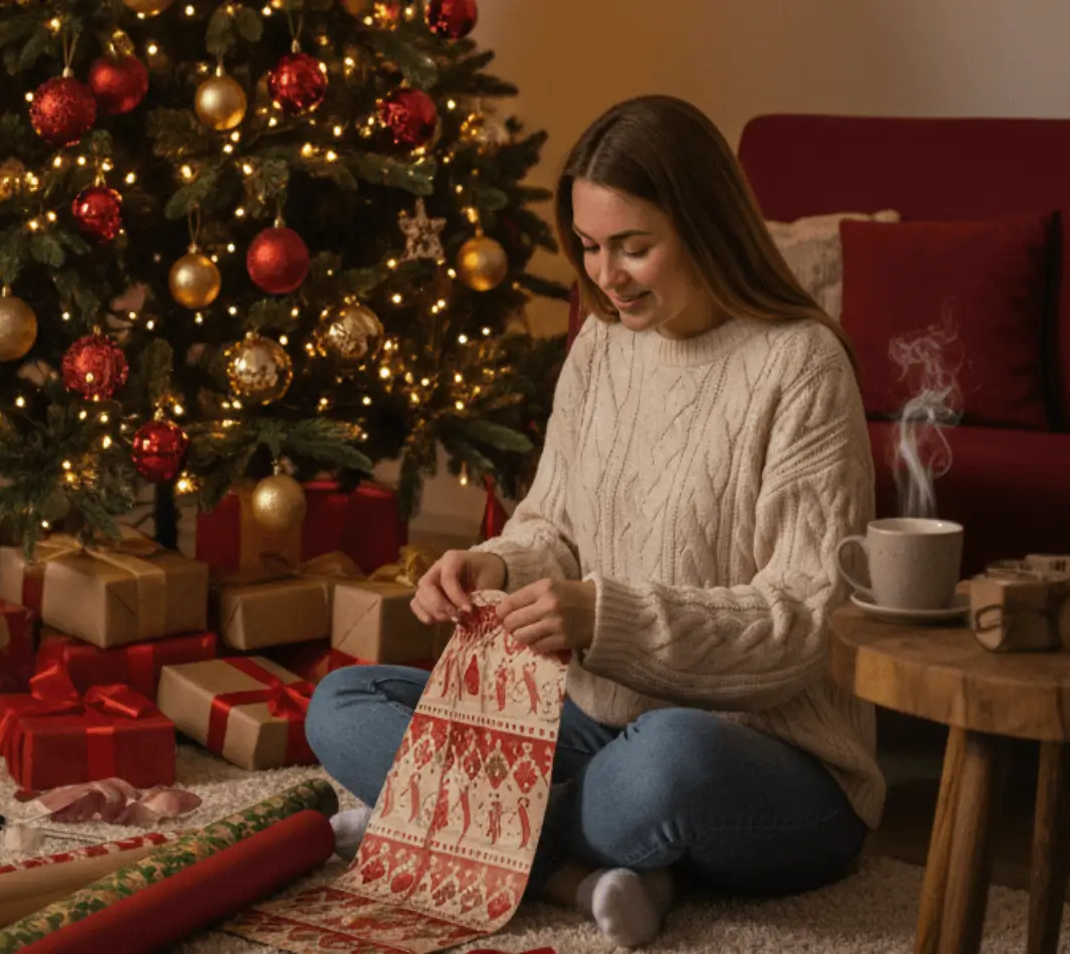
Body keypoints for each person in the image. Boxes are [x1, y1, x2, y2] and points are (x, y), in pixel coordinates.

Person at [305, 94, 882, 948]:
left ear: (703, 225)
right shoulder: (602, 345)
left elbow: (802, 625)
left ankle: (441, 825)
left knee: (660, 769)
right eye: (588, 246)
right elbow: (554, 524)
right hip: (595, 724)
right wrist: (497, 565)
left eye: (633, 247)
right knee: (342, 703)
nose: (604, 276)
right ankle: (582, 868)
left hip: (755, 754)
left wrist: (601, 617)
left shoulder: (800, 364)